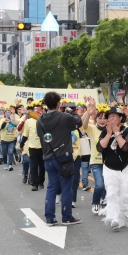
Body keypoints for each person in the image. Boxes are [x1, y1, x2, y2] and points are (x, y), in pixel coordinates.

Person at [36, 91, 83, 226]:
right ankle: (67, 217)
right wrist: (71, 112)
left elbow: (41, 137)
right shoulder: (64, 117)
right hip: (64, 157)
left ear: (45, 104)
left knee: (51, 187)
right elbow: (78, 122)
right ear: (58, 104)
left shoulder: (40, 120)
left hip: (48, 157)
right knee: (66, 188)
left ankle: (50, 218)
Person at [97, 106, 128, 230]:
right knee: (112, 192)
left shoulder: (127, 131)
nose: (110, 118)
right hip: (109, 167)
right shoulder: (105, 131)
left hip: (126, 167)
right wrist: (109, 133)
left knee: (124, 193)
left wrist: (117, 133)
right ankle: (114, 218)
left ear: (121, 118)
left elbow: (125, 148)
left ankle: (121, 217)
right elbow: (100, 148)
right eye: (109, 116)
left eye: (114, 116)